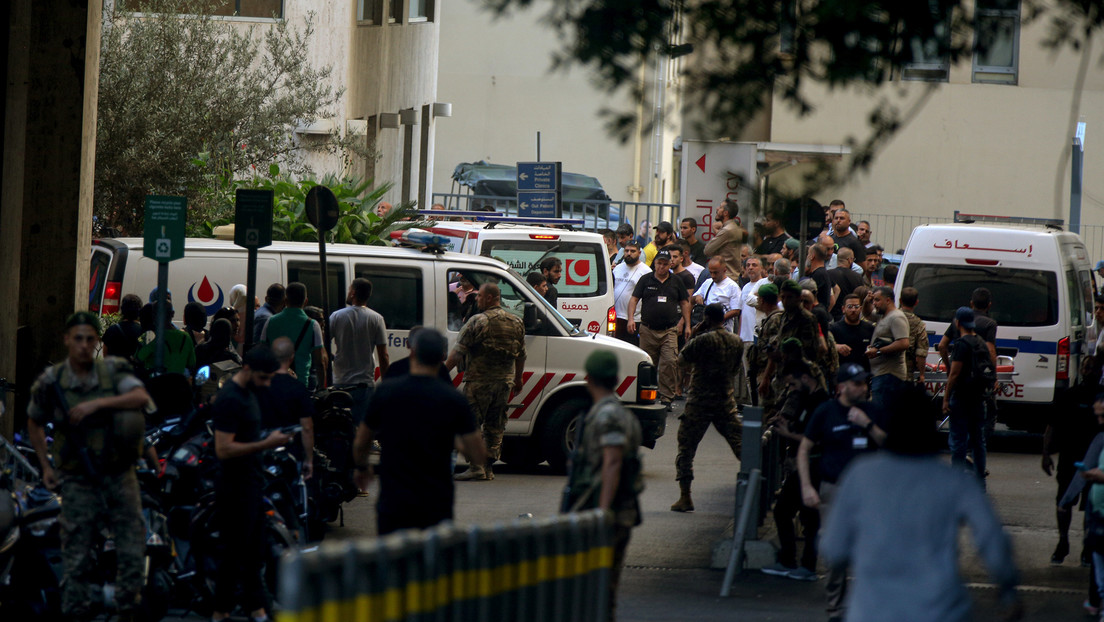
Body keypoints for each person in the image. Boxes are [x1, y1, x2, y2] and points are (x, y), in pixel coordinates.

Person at [819, 383, 1022, 622]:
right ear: (930, 426)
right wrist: (1007, 590)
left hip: (872, 609)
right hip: (940, 610)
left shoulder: (861, 475)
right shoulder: (954, 481)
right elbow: (992, 539)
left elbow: (834, 546)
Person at [26, 312, 151, 622]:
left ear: (98, 343)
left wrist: (96, 405)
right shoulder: (53, 380)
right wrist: (45, 465)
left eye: (90, 339)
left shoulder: (115, 372)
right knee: (76, 556)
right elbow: (34, 421)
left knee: (132, 551)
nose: (83, 345)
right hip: (79, 478)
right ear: (68, 340)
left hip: (119, 474)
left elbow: (140, 396)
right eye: (77, 338)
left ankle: (126, 610)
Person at [353, 329, 485, 534]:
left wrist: (362, 468)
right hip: (435, 502)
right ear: (442, 357)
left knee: (395, 559)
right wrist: (455, 442)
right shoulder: (454, 399)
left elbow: (362, 440)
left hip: (394, 499)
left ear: (413, 353)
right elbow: (477, 453)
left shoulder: (386, 392)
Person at [798, 363, 889, 622]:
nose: (863, 387)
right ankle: (836, 610)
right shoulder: (826, 412)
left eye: (864, 383)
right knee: (836, 553)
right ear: (841, 387)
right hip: (834, 490)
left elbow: (889, 445)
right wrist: (807, 486)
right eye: (857, 383)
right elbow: (805, 448)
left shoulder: (873, 411)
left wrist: (867, 424)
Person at [209, 344, 291, 622]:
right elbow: (224, 449)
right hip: (235, 488)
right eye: (264, 378)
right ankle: (222, 612)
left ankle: (256, 610)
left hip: (252, 484)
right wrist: (265, 443)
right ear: (247, 370)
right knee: (234, 555)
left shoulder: (250, 393)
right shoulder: (231, 399)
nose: (267, 385)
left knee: (253, 553)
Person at [562, 350, 643, 622]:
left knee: (596, 590)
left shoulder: (607, 415)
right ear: (616, 380)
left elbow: (612, 461)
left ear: (588, 379)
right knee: (601, 590)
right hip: (614, 510)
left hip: (608, 513)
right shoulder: (617, 413)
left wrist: (602, 511)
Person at [446, 283, 527, 481]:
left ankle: (475, 466)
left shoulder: (478, 321)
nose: (477, 299)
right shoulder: (516, 322)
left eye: (480, 296)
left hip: (479, 382)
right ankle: (488, 468)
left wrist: (439, 373)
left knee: (471, 424)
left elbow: (458, 352)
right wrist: (518, 378)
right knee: (496, 425)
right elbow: (521, 354)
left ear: (490, 298)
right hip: (504, 383)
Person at [761, 360, 830, 581]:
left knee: (800, 516)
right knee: (796, 514)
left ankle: (802, 564)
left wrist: (789, 434)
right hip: (804, 465)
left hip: (812, 465)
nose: (791, 390)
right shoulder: (808, 400)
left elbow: (816, 439)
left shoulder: (820, 403)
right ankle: (793, 561)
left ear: (806, 378)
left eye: (792, 384)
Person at [671, 303, 744, 512]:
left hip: (700, 401)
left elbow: (681, 361)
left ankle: (685, 496)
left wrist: (694, 334)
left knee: (686, 448)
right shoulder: (736, 341)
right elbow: (736, 368)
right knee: (740, 445)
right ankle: (757, 483)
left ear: (706, 319)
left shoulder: (702, 340)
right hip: (725, 399)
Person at [1043, 356, 1102, 566]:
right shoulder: (1069, 395)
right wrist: (1046, 453)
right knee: (1064, 502)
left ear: (1100, 371)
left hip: (1095, 462)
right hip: (1069, 459)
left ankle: (1087, 547)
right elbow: (1052, 425)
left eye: (1093, 368)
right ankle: (1063, 541)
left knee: (1091, 506)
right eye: (1086, 367)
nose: (1088, 372)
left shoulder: (1102, 397)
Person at [627, 249, 691, 409]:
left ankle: (666, 399)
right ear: (654, 264)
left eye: (664, 264)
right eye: (659, 263)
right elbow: (634, 299)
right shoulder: (645, 279)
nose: (661, 267)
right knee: (647, 364)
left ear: (670, 264)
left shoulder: (676, 281)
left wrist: (687, 324)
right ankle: (646, 394)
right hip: (648, 330)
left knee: (669, 363)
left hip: (669, 330)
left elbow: (684, 303)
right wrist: (630, 319)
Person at [329, 277, 390, 422]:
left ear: (353, 293)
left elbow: (323, 344)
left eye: (350, 289)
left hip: (340, 383)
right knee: (361, 428)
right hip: (365, 385)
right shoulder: (377, 318)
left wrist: (332, 358)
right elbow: (384, 355)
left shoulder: (336, 316)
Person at [943, 307, 991, 487]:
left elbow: (954, 374)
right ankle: (980, 482)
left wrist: (946, 398)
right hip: (978, 398)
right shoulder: (981, 342)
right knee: (978, 441)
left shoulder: (961, 344)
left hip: (962, 398)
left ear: (957, 323)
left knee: (958, 441)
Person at [259, 337, 315, 477]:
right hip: (290, 452)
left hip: (262, 449)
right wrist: (309, 459)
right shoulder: (298, 389)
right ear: (291, 357)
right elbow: (307, 427)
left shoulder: (258, 386)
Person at [261, 282, 325, 389]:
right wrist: (322, 388)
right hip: (300, 384)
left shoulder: (270, 321)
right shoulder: (313, 325)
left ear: (285, 300)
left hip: (274, 385)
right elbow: (320, 362)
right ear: (305, 301)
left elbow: (262, 352)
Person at [864, 286, 909, 410]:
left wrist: (878, 351)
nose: (874, 304)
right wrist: (866, 301)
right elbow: (867, 313)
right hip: (880, 375)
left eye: (877, 300)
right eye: (873, 301)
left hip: (889, 376)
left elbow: (903, 343)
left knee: (883, 417)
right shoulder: (882, 315)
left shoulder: (896, 317)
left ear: (888, 300)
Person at [135, 301, 197, 375]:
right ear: (172, 313)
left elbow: (138, 358)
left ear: (154, 315)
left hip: (156, 382)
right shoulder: (186, 337)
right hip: (179, 382)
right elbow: (191, 363)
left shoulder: (150, 337)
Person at [613, 241, 650, 346]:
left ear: (639, 253)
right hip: (616, 316)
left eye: (632, 251)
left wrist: (633, 318)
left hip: (634, 319)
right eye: (626, 251)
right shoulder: (618, 268)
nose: (629, 253)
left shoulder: (646, 271)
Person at [692, 257, 741, 333]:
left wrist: (718, 319)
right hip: (706, 329)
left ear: (724, 270)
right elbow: (692, 299)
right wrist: (697, 296)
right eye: (710, 272)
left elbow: (736, 311)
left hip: (724, 330)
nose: (713, 276)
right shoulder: (708, 282)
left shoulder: (732, 286)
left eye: (716, 273)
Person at [704, 199, 748, 280]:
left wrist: (717, 231)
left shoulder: (727, 230)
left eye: (720, 207)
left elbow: (707, 250)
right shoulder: (734, 228)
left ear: (725, 213)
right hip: (731, 275)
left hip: (726, 276)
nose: (717, 209)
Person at [830, 294, 875, 372]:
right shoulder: (834, 328)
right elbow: (824, 346)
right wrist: (836, 347)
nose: (853, 310)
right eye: (850, 307)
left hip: (863, 373)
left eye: (856, 307)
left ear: (860, 309)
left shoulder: (869, 328)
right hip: (842, 374)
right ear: (843, 309)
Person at [898, 287, 929, 384]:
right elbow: (921, 354)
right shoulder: (918, 324)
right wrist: (922, 374)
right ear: (916, 302)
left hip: (887, 371)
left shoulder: (890, 317)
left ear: (900, 300)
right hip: (906, 373)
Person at [738, 256, 770, 344]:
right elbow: (742, 313)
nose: (750, 267)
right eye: (748, 265)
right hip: (744, 337)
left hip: (758, 335)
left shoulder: (765, 284)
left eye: (754, 265)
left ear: (761, 268)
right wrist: (739, 335)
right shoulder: (745, 287)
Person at [102, 293, 144, 360]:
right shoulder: (143, 332)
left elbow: (105, 355)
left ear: (122, 309)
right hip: (134, 369)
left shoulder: (112, 330)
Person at [828, 248, 864, 320]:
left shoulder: (828, 274)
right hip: (850, 316)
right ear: (849, 260)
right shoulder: (857, 277)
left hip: (830, 315)